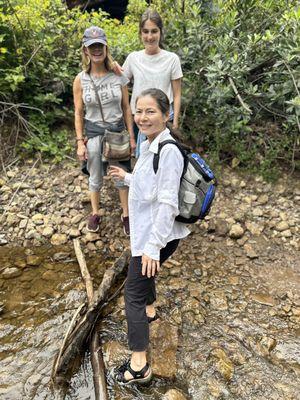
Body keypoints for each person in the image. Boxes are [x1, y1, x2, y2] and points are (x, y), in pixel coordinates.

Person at [109, 88, 190, 384]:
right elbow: (149, 186)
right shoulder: (149, 142)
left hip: (159, 234)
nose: (142, 118)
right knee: (145, 276)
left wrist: (153, 247)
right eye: (139, 111)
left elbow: (168, 203)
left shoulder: (168, 151)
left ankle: (139, 365)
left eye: (150, 111)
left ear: (166, 114)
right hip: (151, 232)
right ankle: (151, 312)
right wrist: (127, 177)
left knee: (132, 290)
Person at [73, 26, 136, 235]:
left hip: (117, 130)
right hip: (93, 133)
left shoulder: (118, 75)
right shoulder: (80, 79)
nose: (96, 50)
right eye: (92, 46)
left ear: (106, 47)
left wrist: (132, 137)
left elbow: (127, 108)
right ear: (85, 50)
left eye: (100, 45)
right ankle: (96, 211)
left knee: (121, 174)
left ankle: (126, 214)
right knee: (95, 174)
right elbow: (78, 112)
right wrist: (80, 142)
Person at [122, 9, 183, 158]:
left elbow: (177, 93)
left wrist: (174, 123)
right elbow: (120, 82)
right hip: (140, 118)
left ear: (161, 32)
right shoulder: (133, 58)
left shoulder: (172, 59)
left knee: (163, 159)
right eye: (145, 31)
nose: (150, 36)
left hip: (163, 118)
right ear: (140, 33)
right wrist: (128, 111)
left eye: (154, 31)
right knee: (143, 161)